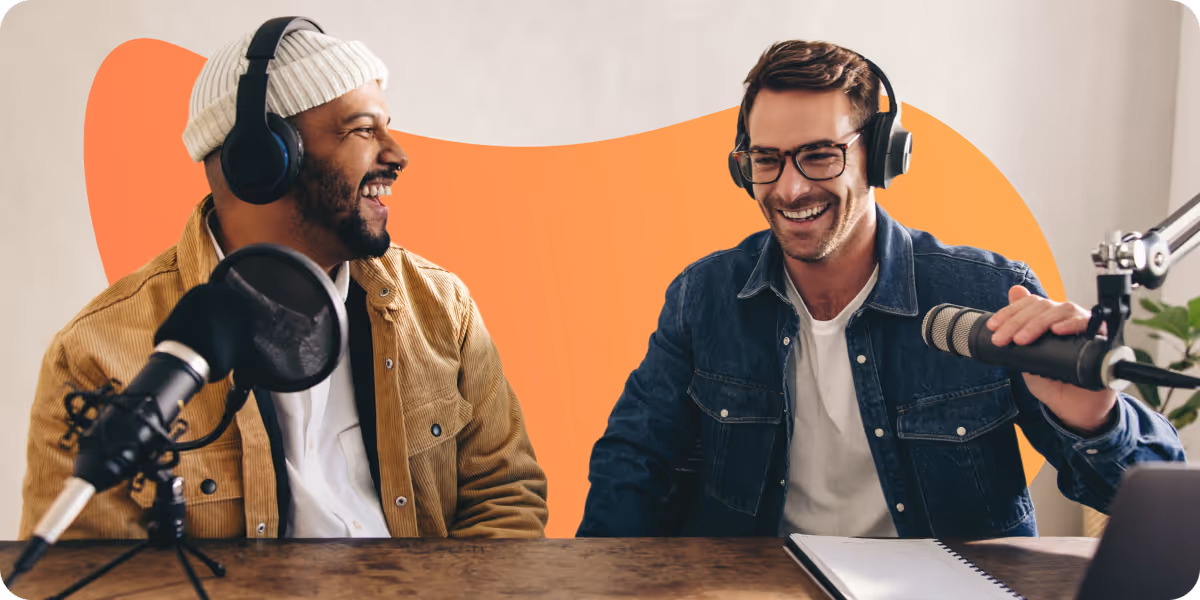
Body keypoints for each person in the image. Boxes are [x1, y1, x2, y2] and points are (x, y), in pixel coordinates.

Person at [577, 40, 1184, 538]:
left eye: (819, 156)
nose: (789, 189)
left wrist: (1095, 423)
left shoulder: (991, 296)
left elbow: (1156, 497)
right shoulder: (702, 296)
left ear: (881, 155)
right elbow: (632, 463)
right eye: (767, 159)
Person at [21, 19, 547, 540]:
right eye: (363, 130)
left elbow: (505, 498)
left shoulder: (441, 307)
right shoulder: (97, 354)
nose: (397, 155)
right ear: (263, 159)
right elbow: (89, 575)